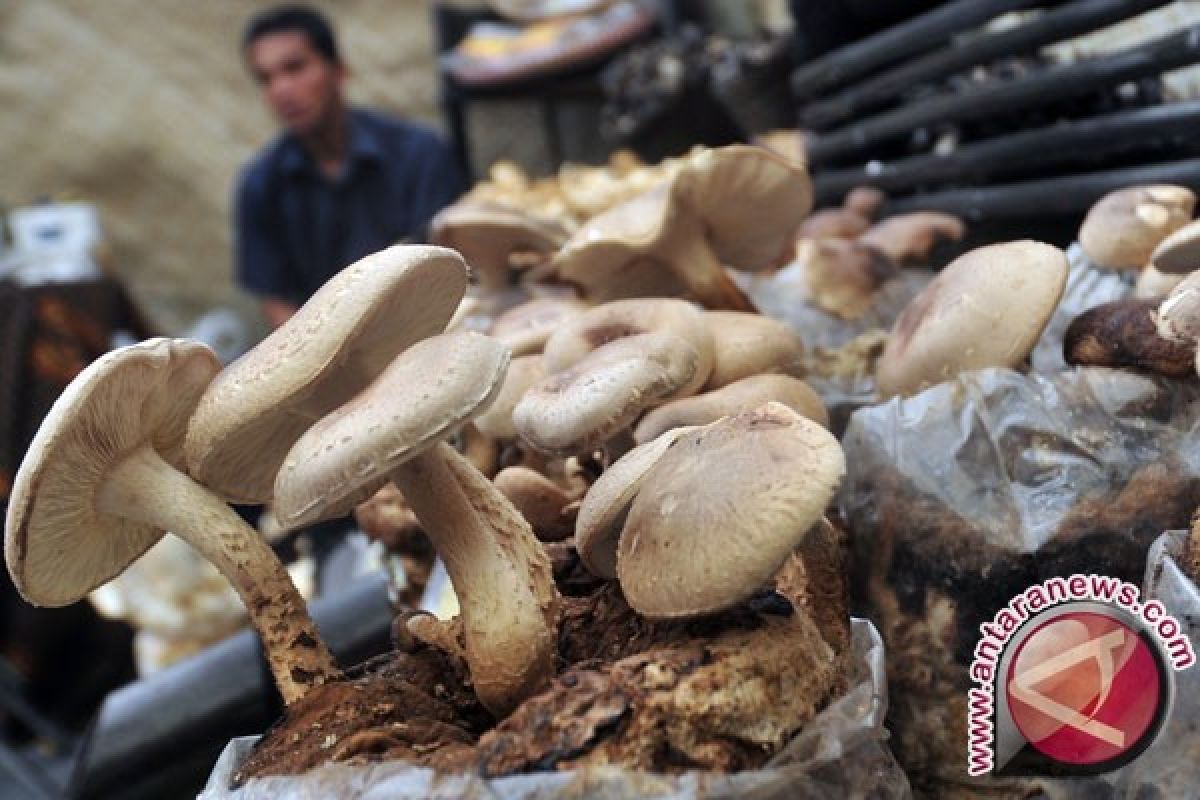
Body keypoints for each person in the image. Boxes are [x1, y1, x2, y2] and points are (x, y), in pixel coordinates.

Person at [235, 4, 466, 328]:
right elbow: (277, 301)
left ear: (338, 70)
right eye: (266, 78)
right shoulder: (261, 185)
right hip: (324, 352)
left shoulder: (419, 154)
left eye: (295, 68)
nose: (281, 90)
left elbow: (451, 269)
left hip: (425, 331)